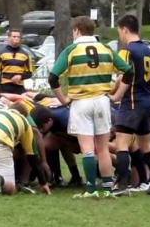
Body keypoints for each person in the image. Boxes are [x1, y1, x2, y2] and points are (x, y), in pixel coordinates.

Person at [49, 16, 133, 199]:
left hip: (81, 102)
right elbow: (128, 71)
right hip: (102, 101)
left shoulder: (72, 50)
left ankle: (91, 189)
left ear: (77, 30)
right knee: (102, 148)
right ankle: (109, 189)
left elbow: (53, 77)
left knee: (87, 148)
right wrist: (117, 95)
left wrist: (63, 100)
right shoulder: (106, 48)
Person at [109, 14, 150, 196]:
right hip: (146, 102)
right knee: (145, 145)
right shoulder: (149, 51)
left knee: (121, 144)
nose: (120, 36)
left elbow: (125, 76)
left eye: (119, 32)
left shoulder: (127, 50)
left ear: (124, 29)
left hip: (131, 102)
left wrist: (116, 94)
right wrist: (142, 85)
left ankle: (122, 185)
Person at [0, 29, 35, 95]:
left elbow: (29, 73)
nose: (16, 38)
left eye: (18, 37)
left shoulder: (25, 55)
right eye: (14, 36)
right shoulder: (0, 53)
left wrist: (20, 76)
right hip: (4, 86)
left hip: (19, 87)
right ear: (9, 38)